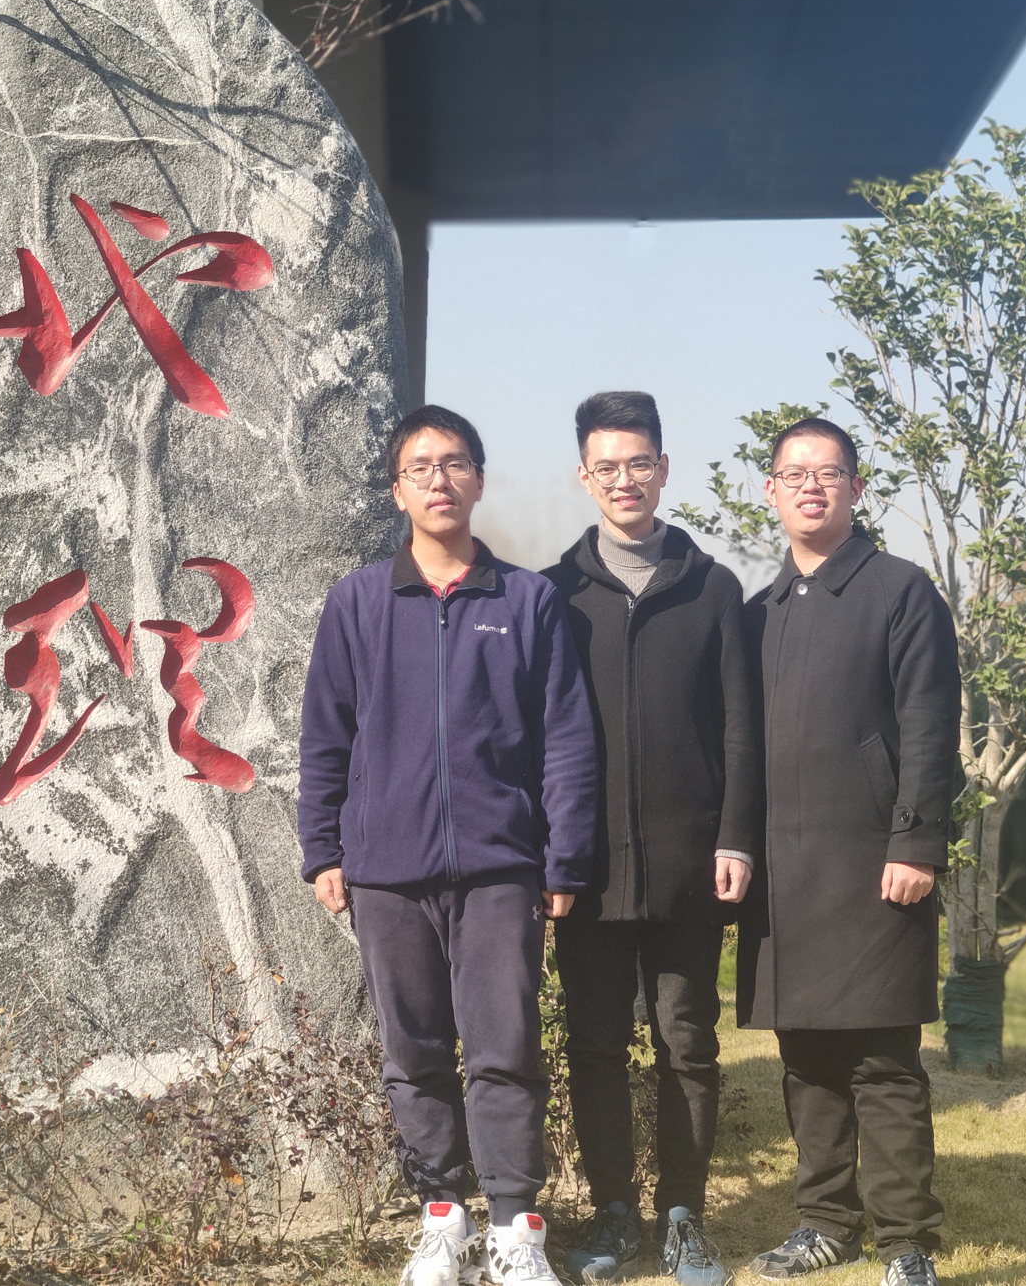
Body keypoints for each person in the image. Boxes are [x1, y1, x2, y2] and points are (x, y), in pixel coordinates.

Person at [299, 404, 600, 1286]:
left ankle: (513, 1227)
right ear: (396, 490)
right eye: (420, 466)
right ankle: (442, 1219)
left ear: (478, 479)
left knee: (505, 1045)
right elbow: (325, 736)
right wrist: (323, 849)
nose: (439, 479)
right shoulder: (358, 601)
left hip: (501, 868)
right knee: (413, 1051)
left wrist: (563, 857)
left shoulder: (526, 600)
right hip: (386, 869)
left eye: (455, 462)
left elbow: (566, 738)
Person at [542, 391, 760, 1286]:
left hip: (687, 863)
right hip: (585, 868)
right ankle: (611, 1214)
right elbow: (531, 735)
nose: (624, 478)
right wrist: (546, 852)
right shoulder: (553, 594)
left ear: (664, 469)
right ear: (583, 476)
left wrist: (735, 836)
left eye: (639, 462)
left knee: (687, 1041)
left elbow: (741, 727)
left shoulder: (713, 588)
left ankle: (683, 1217)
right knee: (594, 1042)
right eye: (607, 465)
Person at [739, 418, 959, 1286]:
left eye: (827, 473)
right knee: (806, 1058)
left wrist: (915, 841)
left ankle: (906, 1242)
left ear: (856, 489)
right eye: (793, 473)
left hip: (877, 862)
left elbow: (929, 725)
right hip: (784, 873)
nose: (810, 486)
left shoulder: (900, 590)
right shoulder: (758, 612)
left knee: (881, 1059)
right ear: (770, 489)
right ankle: (825, 1222)